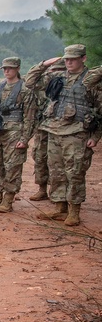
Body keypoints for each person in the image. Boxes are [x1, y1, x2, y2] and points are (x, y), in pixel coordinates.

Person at [24, 45, 102, 226]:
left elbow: (100, 110)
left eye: (73, 59)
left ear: (83, 59)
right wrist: (43, 64)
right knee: (56, 172)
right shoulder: (57, 78)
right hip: (54, 130)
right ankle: (60, 208)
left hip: (77, 133)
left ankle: (74, 211)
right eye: (66, 59)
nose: (69, 62)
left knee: (74, 173)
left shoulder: (91, 81)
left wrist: (95, 137)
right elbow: (30, 82)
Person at [0, 57, 37, 213]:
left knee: (12, 166)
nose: (6, 71)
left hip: (14, 132)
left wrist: (25, 139)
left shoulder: (25, 90)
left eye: (10, 68)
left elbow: (30, 117)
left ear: (17, 68)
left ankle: (8, 199)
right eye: (4, 68)